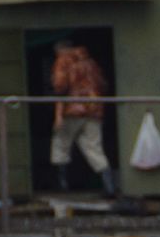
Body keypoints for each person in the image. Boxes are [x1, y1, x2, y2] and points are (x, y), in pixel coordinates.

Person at [50, 39, 116, 197]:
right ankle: (109, 186)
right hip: (94, 110)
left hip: (72, 110)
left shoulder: (63, 61)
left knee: (61, 144)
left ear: (60, 50)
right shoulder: (90, 62)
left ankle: (62, 185)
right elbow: (103, 85)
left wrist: (58, 113)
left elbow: (60, 86)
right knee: (94, 147)